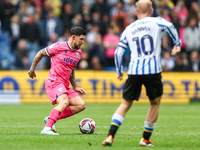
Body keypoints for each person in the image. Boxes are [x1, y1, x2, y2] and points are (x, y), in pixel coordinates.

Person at [102, 0, 181, 147]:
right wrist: (177, 44)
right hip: (153, 71)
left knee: (125, 104)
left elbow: (118, 52)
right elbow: (170, 26)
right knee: (155, 103)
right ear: (151, 11)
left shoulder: (129, 28)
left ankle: (110, 135)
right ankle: (145, 139)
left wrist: (119, 71)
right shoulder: (156, 21)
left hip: (134, 71)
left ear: (136, 12)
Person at [28, 26, 87, 135]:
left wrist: (75, 87)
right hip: (54, 81)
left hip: (65, 85)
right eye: (81, 39)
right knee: (64, 102)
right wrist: (32, 69)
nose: (83, 42)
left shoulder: (78, 53)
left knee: (81, 105)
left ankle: (51, 118)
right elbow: (40, 53)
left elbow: (71, 70)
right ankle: (46, 129)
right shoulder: (58, 46)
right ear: (73, 37)